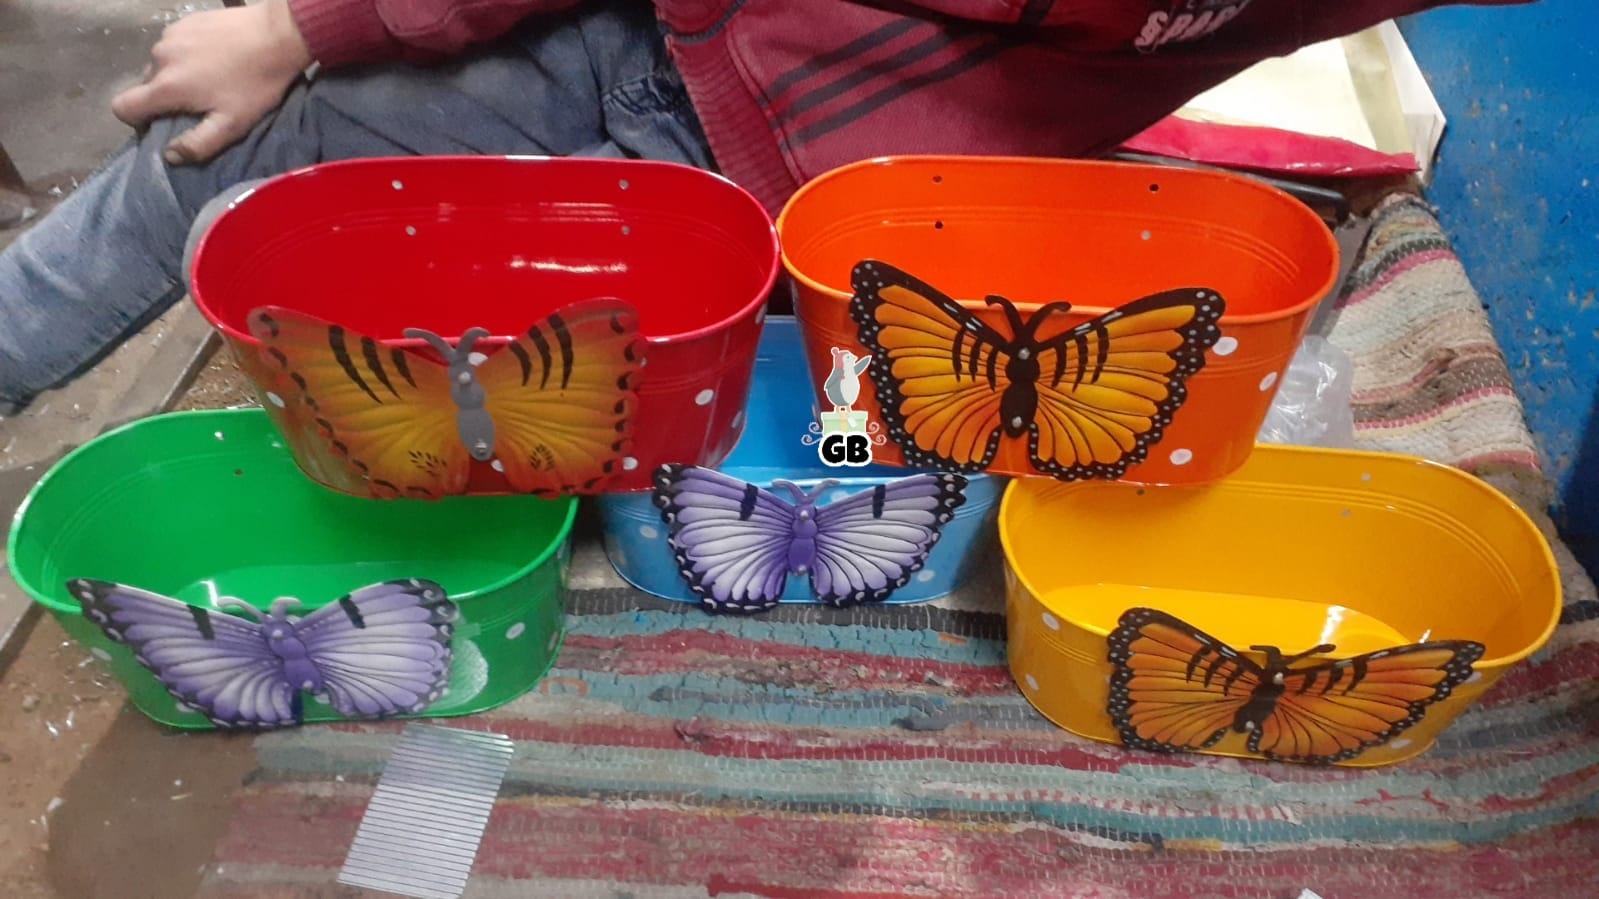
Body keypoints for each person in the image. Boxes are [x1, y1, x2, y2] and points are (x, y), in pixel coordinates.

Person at [0, 0, 1526, 412]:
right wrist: (307, 26)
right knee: (273, 157)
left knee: (827, 420)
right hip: (668, 67)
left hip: (829, 194)